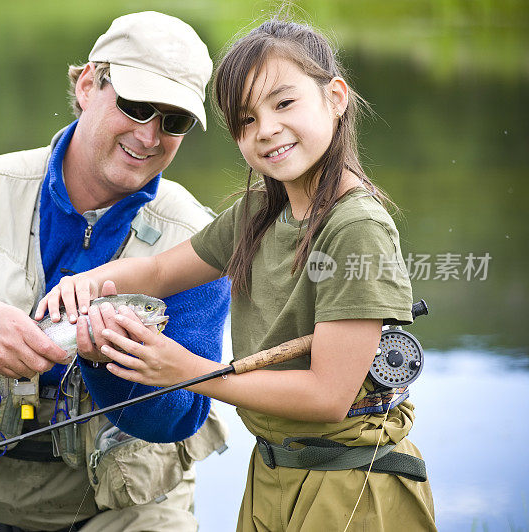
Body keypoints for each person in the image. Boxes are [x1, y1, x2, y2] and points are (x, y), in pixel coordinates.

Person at [37, 17, 436, 532]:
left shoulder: (355, 227)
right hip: (273, 470)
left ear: (335, 97)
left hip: (353, 484)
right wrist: (91, 282)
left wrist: (185, 372)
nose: (266, 129)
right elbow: (158, 271)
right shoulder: (257, 213)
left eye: (284, 103)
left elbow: (327, 396)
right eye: (246, 120)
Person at [0, 11, 231, 532]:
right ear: (86, 84)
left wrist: (111, 363)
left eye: (174, 121)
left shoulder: (200, 242)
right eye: (136, 106)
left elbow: (180, 416)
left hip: (136, 512)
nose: (149, 136)